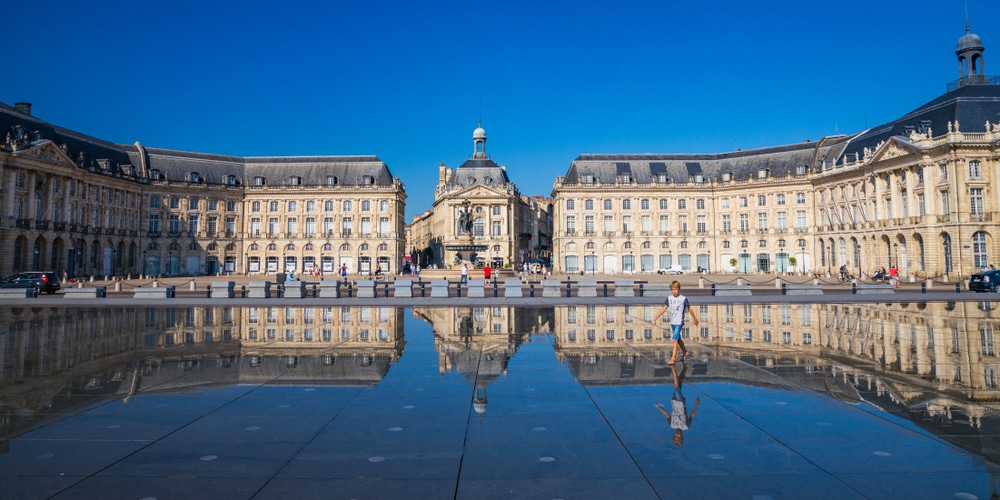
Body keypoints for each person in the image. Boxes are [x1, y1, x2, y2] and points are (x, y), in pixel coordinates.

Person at [652, 280, 700, 364]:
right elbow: (665, 308)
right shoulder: (669, 298)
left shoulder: (683, 299)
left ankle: (673, 358)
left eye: (676, 289)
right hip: (673, 321)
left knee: (674, 340)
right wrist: (657, 316)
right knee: (678, 339)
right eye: (672, 289)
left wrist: (695, 318)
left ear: (679, 289)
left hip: (679, 322)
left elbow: (689, 308)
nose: (674, 291)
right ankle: (685, 352)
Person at [654, 362, 700, 447]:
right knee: (676, 386)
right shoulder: (686, 426)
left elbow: (667, 415)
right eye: (678, 437)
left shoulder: (672, 425)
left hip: (674, 402)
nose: (677, 435)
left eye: (675, 436)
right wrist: (696, 404)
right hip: (680, 403)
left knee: (679, 383)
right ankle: (673, 369)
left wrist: (659, 407)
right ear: (682, 436)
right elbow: (691, 416)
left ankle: (685, 368)